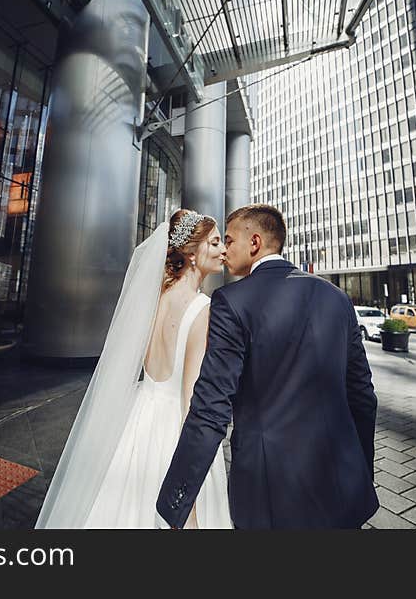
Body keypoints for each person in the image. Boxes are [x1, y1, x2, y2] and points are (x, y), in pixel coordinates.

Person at [157, 204, 379, 529]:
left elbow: (211, 406)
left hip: (270, 493)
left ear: (255, 243)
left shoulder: (232, 302)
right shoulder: (336, 297)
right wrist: (360, 470)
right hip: (342, 484)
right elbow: (362, 396)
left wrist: (176, 501)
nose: (224, 250)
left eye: (229, 241)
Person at [35, 209, 233, 528]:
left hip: (139, 416)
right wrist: (187, 506)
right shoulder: (202, 310)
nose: (224, 249)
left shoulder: (154, 299)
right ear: (192, 254)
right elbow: (189, 406)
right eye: (215, 242)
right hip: (172, 431)